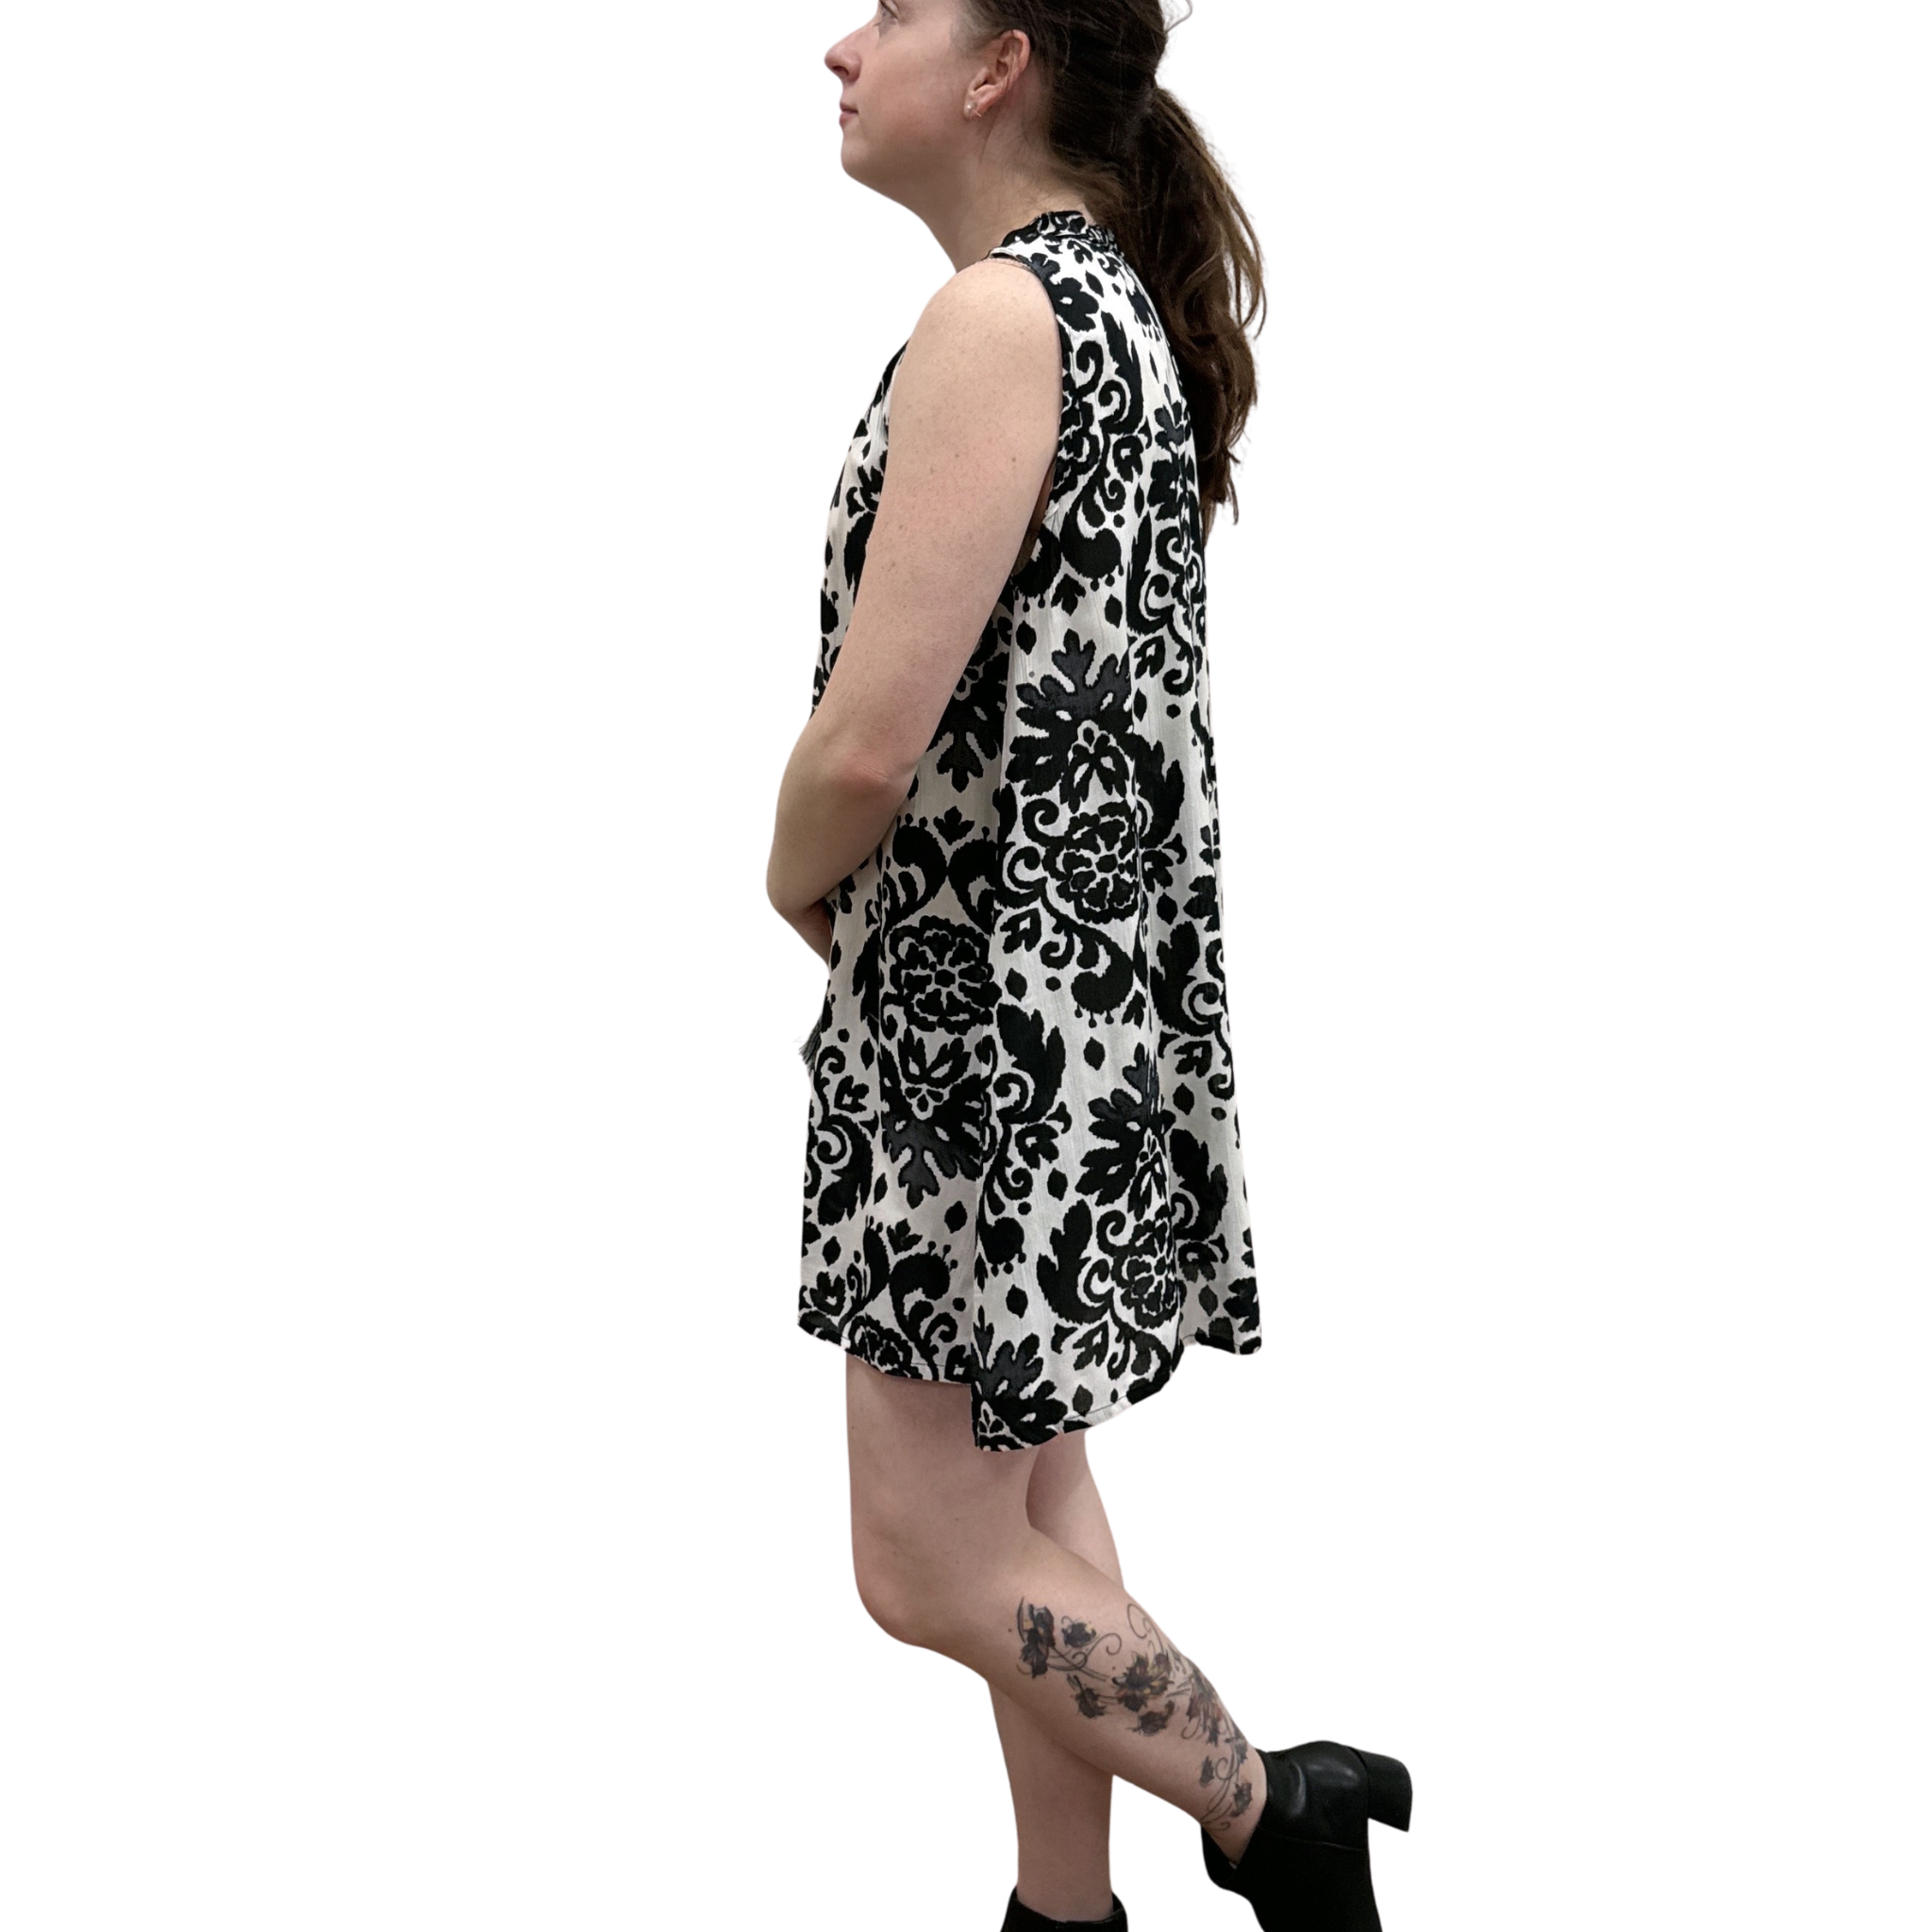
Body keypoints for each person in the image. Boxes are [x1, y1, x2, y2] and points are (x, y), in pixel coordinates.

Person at [766, 5, 1411, 1927]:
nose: (837, 48)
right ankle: (1066, 1913)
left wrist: (787, 866)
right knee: (1025, 1503)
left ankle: (1265, 1801)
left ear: (999, 66)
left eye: (890, 13)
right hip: (1067, 1027)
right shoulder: (1105, 307)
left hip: (975, 1037)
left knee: (921, 1556)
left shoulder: (998, 322)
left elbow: (872, 742)